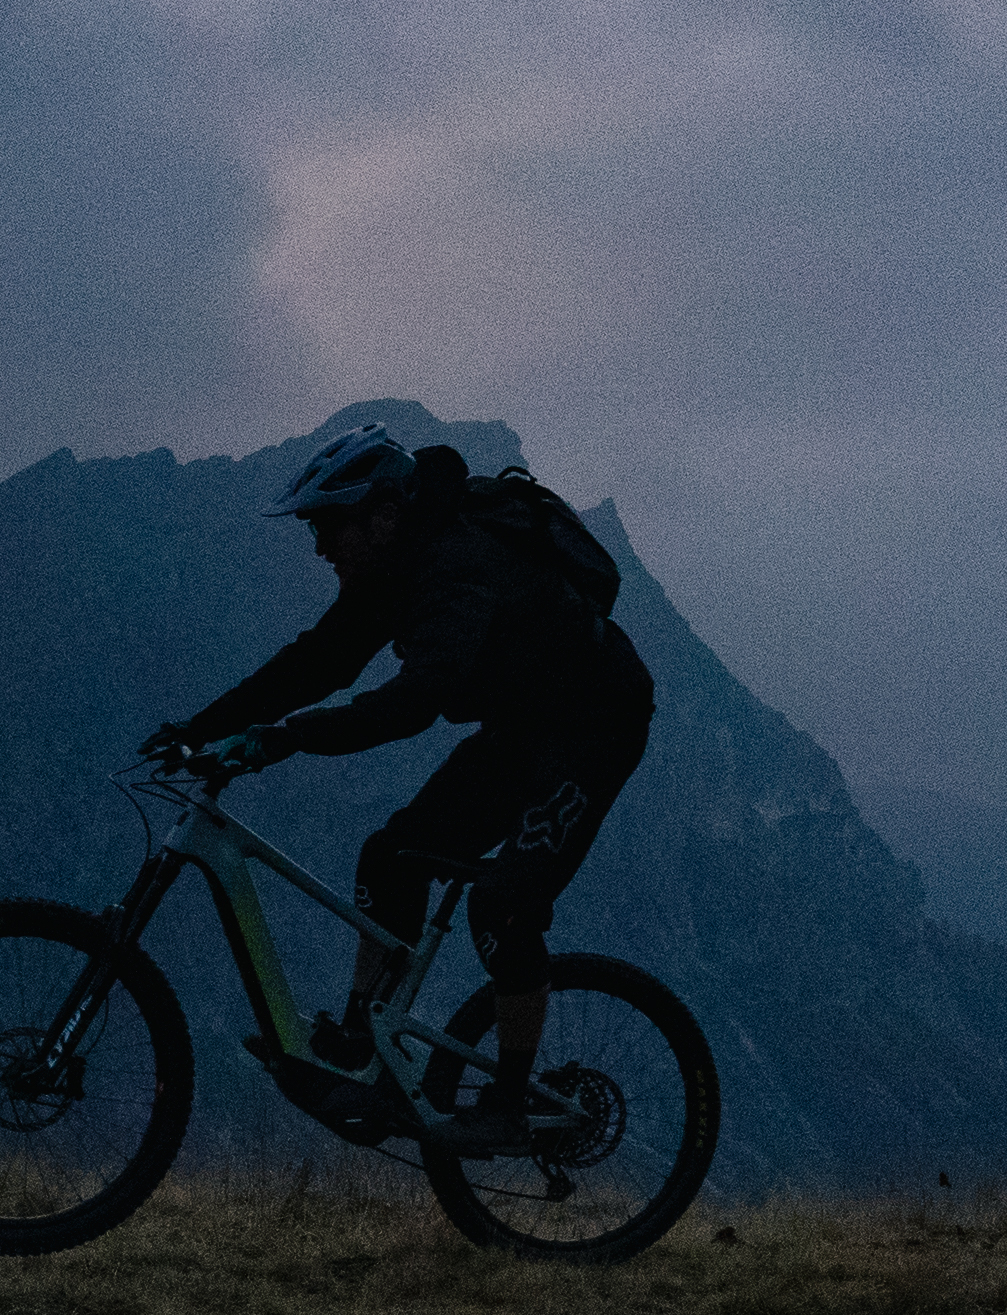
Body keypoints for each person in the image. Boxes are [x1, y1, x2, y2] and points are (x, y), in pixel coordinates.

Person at [146, 427, 660, 1078]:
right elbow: (316, 663)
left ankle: (509, 1106)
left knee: (502, 906)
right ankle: (366, 1041)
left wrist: (286, 739)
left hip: (594, 727)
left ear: (384, 515)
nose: (320, 547)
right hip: (520, 729)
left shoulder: (457, 564)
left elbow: (416, 702)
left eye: (329, 527)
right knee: (390, 858)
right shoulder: (391, 569)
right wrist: (198, 728)